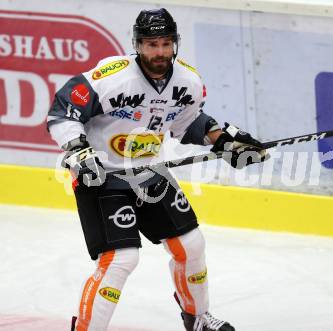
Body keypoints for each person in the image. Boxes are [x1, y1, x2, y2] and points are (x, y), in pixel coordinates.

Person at [47, 8, 267, 331]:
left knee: (191, 244)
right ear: (137, 45)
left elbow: (187, 124)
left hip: (150, 172)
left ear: (174, 43)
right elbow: (63, 110)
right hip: (103, 177)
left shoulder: (188, 81)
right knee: (121, 259)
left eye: (165, 43)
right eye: (152, 44)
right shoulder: (111, 77)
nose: (160, 52)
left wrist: (224, 141)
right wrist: (79, 150)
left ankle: (199, 318)